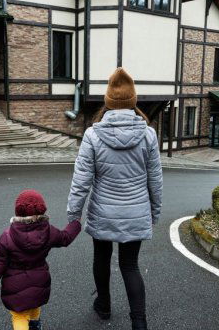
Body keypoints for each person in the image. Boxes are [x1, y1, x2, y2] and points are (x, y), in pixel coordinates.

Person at [66, 67, 162, 330]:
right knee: (130, 265)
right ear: (133, 102)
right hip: (136, 212)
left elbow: (81, 180)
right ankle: (139, 323)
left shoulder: (93, 135)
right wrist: (154, 212)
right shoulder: (148, 134)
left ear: (108, 101)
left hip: (103, 213)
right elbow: (155, 179)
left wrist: (73, 215)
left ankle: (104, 305)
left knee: (101, 258)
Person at [0, 189, 81, 330]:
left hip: (15, 285)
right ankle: (35, 326)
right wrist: (75, 224)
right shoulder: (49, 231)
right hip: (40, 281)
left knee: (20, 316)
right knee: (34, 305)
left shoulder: (7, 236)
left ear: (18, 211)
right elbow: (65, 238)